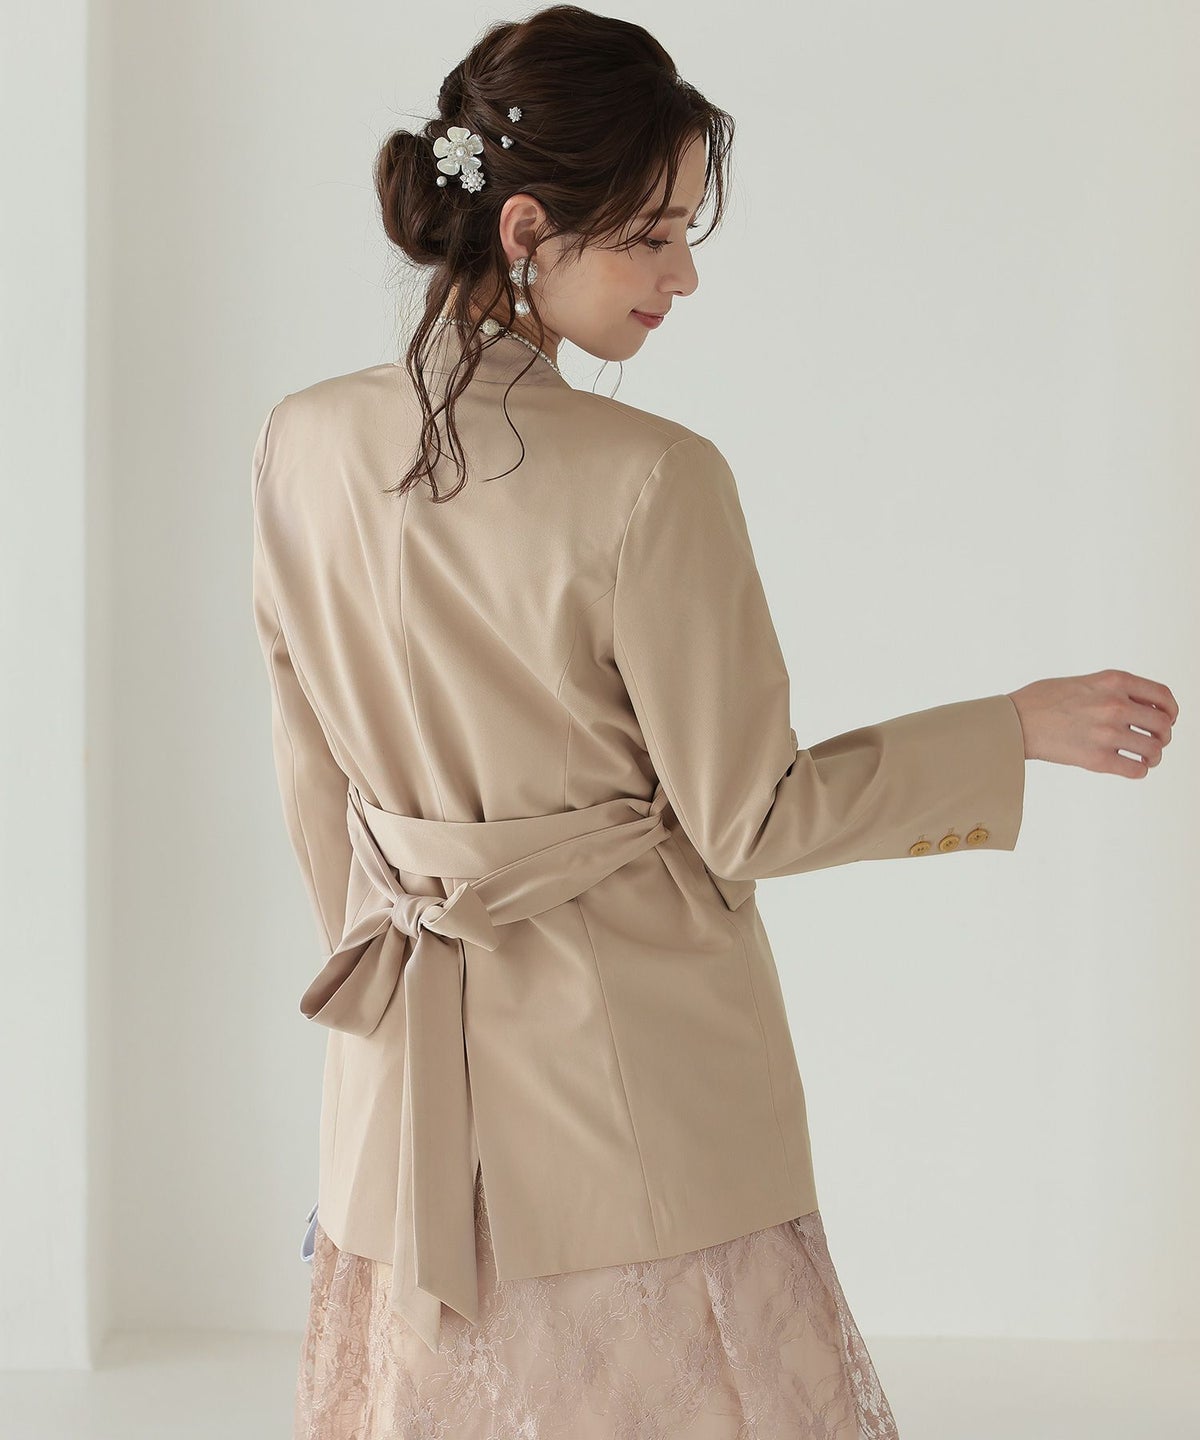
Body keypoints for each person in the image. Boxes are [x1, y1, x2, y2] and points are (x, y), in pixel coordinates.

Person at [250, 7, 1179, 1438]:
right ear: (525, 227)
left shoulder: (300, 439)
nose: (684, 275)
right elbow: (755, 817)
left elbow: (315, 784)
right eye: (652, 236)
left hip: (396, 1073)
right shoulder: (652, 478)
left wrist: (388, 996)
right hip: (633, 1083)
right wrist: (1005, 730)